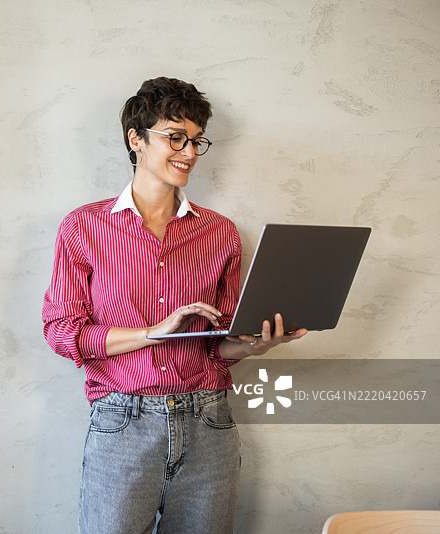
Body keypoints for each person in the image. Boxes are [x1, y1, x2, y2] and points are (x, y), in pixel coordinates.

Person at [41, 77, 307, 534]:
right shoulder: (84, 227)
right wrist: (153, 332)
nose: (189, 152)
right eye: (175, 137)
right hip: (123, 422)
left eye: (196, 140)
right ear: (136, 139)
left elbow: (216, 345)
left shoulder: (219, 232)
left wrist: (254, 347)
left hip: (210, 422)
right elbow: (63, 333)